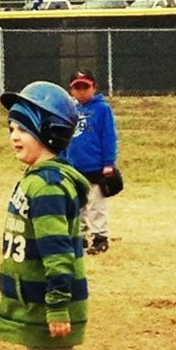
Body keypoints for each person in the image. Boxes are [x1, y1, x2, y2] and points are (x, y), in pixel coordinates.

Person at [0, 81, 91, 350]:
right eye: (11, 128)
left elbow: (57, 255)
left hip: (50, 306)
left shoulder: (48, 184)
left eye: (24, 128)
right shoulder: (36, 178)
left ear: (49, 134)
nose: (14, 135)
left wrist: (56, 306)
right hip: (32, 305)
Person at [62, 69, 119, 255]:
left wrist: (108, 163)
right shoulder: (70, 110)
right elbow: (64, 137)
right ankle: (80, 237)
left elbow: (109, 136)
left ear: (94, 87)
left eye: (85, 87)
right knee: (77, 205)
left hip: (95, 166)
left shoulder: (102, 109)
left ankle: (100, 237)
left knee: (96, 204)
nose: (81, 91)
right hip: (74, 167)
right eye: (76, 88)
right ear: (71, 90)